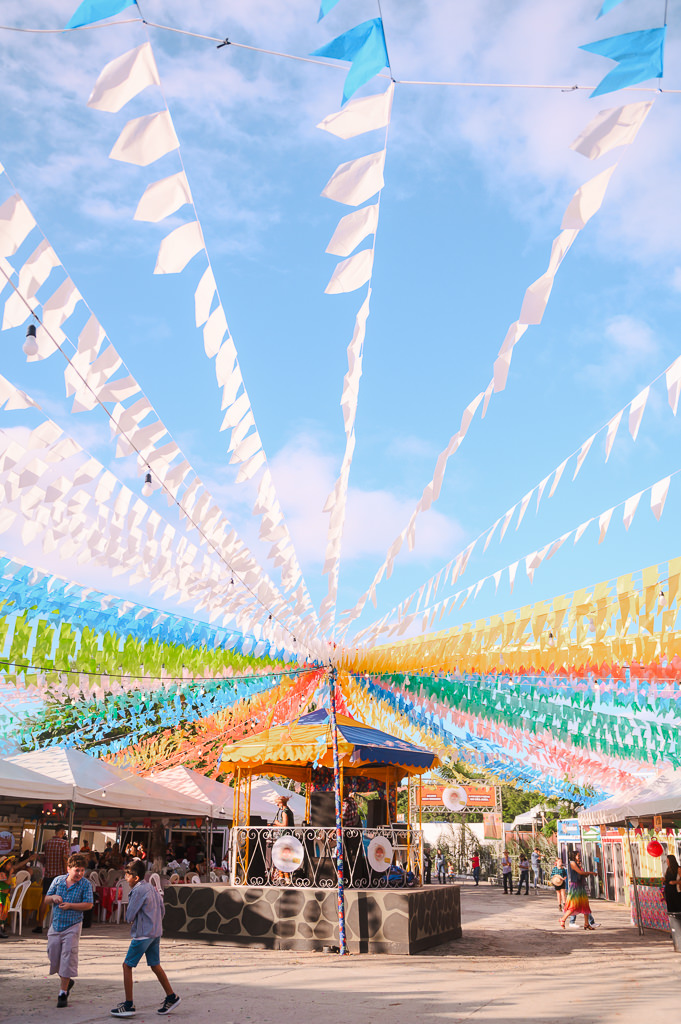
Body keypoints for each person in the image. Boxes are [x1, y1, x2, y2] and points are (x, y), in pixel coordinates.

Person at [110, 859, 180, 1017]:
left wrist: (134, 919)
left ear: (134, 877)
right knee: (155, 964)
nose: (125, 878)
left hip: (143, 934)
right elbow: (162, 910)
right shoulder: (152, 887)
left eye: (127, 875)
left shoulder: (138, 890)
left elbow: (129, 915)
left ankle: (129, 1004)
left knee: (127, 965)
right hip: (155, 932)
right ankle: (171, 996)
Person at [44, 853, 93, 1008]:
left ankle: (62, 993)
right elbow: (46, 899)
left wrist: (71, 905)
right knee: (53, 954)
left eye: (82, 870)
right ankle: (67, 980)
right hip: (56, 924)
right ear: (69, 869)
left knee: (67, 957)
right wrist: (54, 898)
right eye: (77, 870)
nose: (79, 874)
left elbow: (88, 904)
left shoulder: (85, 884)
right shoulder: (57, 881)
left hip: (73, 925)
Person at [33, 826, 70, 934]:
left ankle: (39, 924)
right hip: (59, 876)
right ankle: (59, 924)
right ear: (62, 832)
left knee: (44, 900)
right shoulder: (64, 843)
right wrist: (66, 873)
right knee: (61, 900)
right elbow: (64, 858)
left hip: (48, 876)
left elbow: (44, 860)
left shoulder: (47, 843)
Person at [560, 850, 597, 930]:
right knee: (574, 905)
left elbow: (583, 875)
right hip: (575, 887)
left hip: (581, 886)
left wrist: (586, 872)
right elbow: (580, 873)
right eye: (578, 855)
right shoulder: (572, 863)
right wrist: (591, 873)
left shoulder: (578, 864)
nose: (579, 857)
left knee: (585, 905)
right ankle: (563, 919)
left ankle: (586, 923)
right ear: (573, 856)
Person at [0, 863, 11, 938]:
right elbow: (8, 882)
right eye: (9, 864)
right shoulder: (1, 874)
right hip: (0, 895)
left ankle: (1, 929)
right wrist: (10, 873)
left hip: (5, 896)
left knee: (3, 913)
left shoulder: (5, 874)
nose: (10, 866)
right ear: (3, 865)